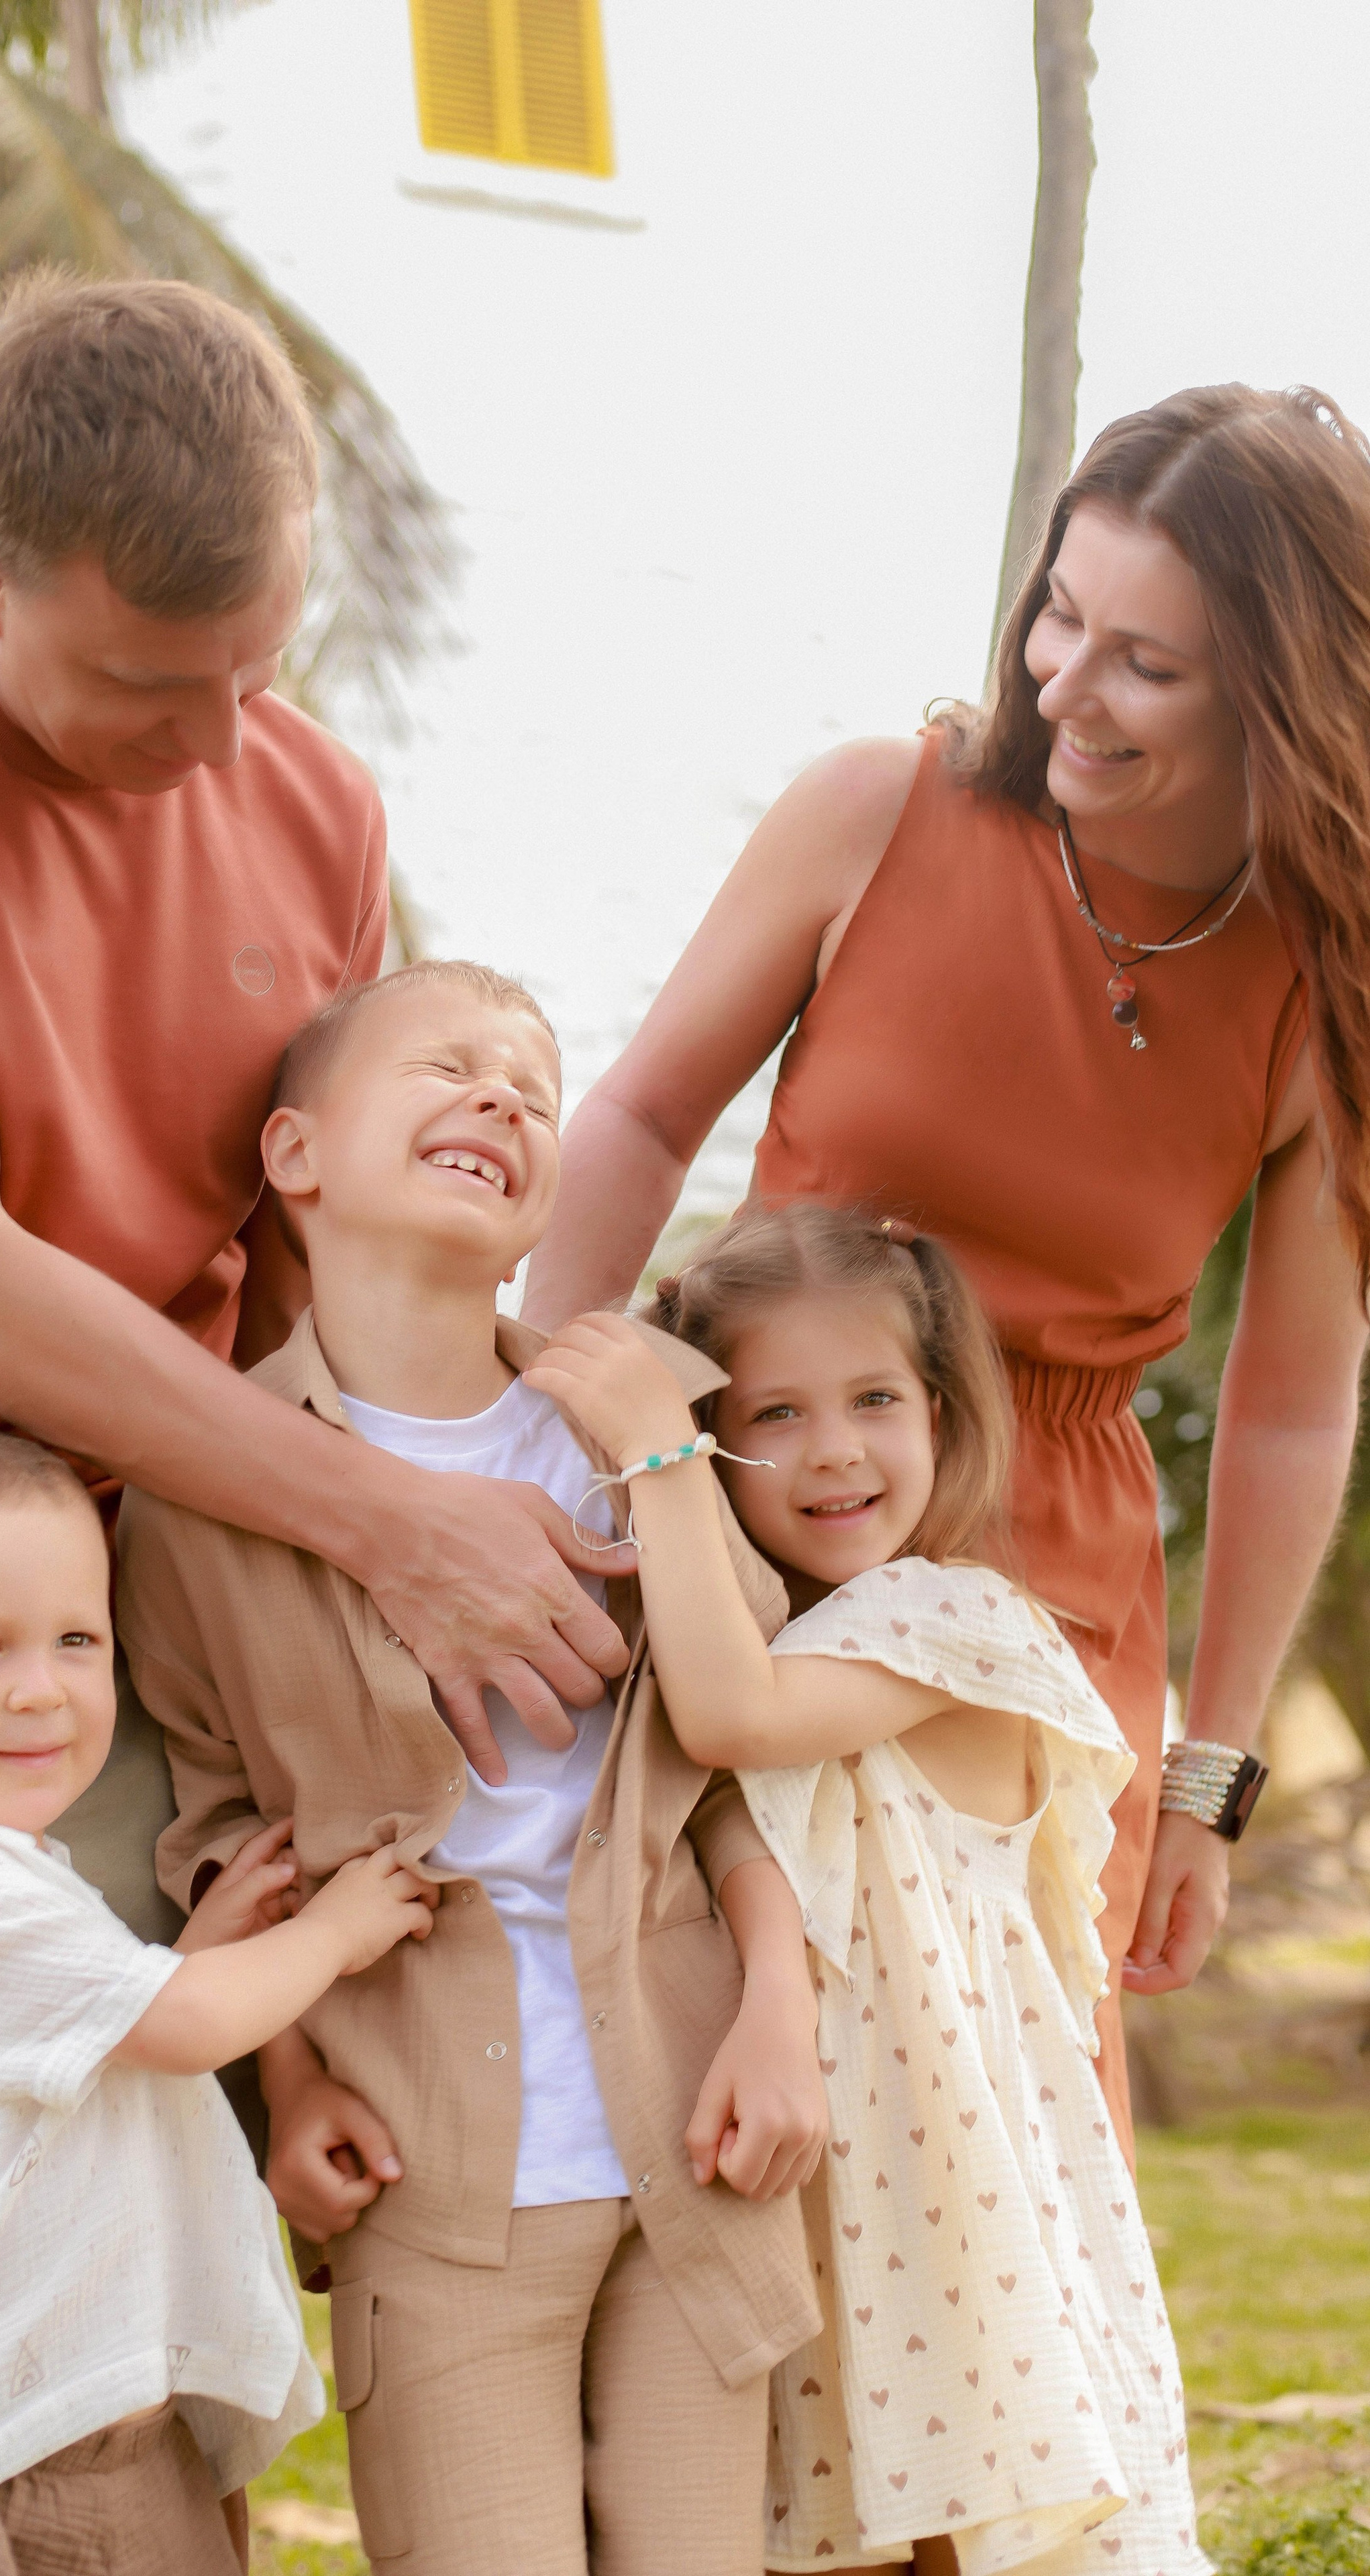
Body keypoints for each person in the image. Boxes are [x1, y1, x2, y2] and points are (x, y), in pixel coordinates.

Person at [0, 272, 632, 2567]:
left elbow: (302, 1260)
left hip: (125, 1604)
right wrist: (393, 1538)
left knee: (113, 2306)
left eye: (255, 670)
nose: (213, 746)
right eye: (140, 684)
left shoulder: (311, 793)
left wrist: (480, 1492)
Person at [525, 384, 1370, 2152]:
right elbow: (640, 1117)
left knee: (995, 2142)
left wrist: (1210, 1776)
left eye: (1147, 660)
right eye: (1060, 612)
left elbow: (1291, 1407)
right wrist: (537, 1445)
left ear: (1284, 694)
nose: (1063, 680)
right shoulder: (875, 812)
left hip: (1052, 1595)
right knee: (720, 2090)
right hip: (760, 1517)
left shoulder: (1316, 988)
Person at [113, 959, 828, 2576]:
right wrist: (286, 2086)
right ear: (295, 1158)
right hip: (423, 2162)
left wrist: (780, 2018)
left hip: (695, 2132)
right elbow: (222, 1828)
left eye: (532, 1088)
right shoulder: (200, 1492)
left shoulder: (627, 1424)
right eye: (446, 1067)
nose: (501, 1098)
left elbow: (733, 1775)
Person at [527, 1204, 1205, 2576]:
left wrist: (653, 1443)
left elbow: (726, 1729)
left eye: (876, 1399)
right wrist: (775, 1989)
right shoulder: (775, 1644)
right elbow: (732, 1808)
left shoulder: (958, 1621)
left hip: (960, 2222)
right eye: (772, 1412)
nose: (833, 1447)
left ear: (944, 1416)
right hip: (827, 2213)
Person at [0, 1421, 435, 2576]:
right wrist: (331, 1933)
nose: (39, 1689)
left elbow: (110, 2051)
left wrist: (201, 1945)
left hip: (112, 2430)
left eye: (75, 1639)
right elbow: (178, 2026)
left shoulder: (14, 1878)